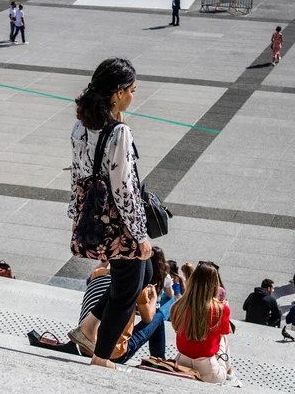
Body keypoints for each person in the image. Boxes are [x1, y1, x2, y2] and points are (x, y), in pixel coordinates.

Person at [66, 58, 152, 370]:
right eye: (131, 90)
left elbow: (77, 176)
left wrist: (77, 215)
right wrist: (141, 235)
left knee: (144, 276)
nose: (133, 95)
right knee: (127, 292)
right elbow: (124, 188)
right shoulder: (119, 133)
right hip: (122, 223)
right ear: (116, 92)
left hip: (96, 214)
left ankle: (89, 327)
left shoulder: (80, 125)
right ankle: (101, 357)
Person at [171, 263, 242, 387]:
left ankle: (230, 375)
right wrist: (225, 310)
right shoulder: (221, 309)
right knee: (224, 338)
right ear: (214, 285)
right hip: (210, 372)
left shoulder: (178, 305)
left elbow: (177, 328)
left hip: (181, 364)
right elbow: (226, 331)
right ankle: (230, 375)